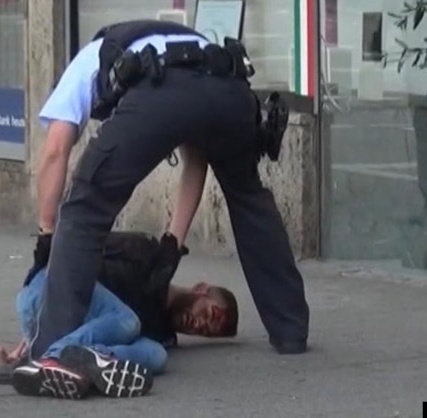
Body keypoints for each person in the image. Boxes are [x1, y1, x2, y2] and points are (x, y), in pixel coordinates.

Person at [27, 19, 309, 369]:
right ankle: (290, 331)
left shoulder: (85, 64)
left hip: (160, 93)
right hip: (231, 93)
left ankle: (50, 354)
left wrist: (46, 233)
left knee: (85, 207)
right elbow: (198, 155)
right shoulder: (186, 41)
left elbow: (55, 152)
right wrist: (172, 242)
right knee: (251, 201)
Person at [0, 231, 239, 400]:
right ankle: (52, 358)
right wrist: (34, 329)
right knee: (129, 322)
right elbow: (79, 240)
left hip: (72, 329)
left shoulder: (164, 335)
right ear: (200, 288)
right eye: (209, 314)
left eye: (204, 331)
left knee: (158, 355)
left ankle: (86, 363)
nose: (200, 324)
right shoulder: (149, 253)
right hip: (50, 286)